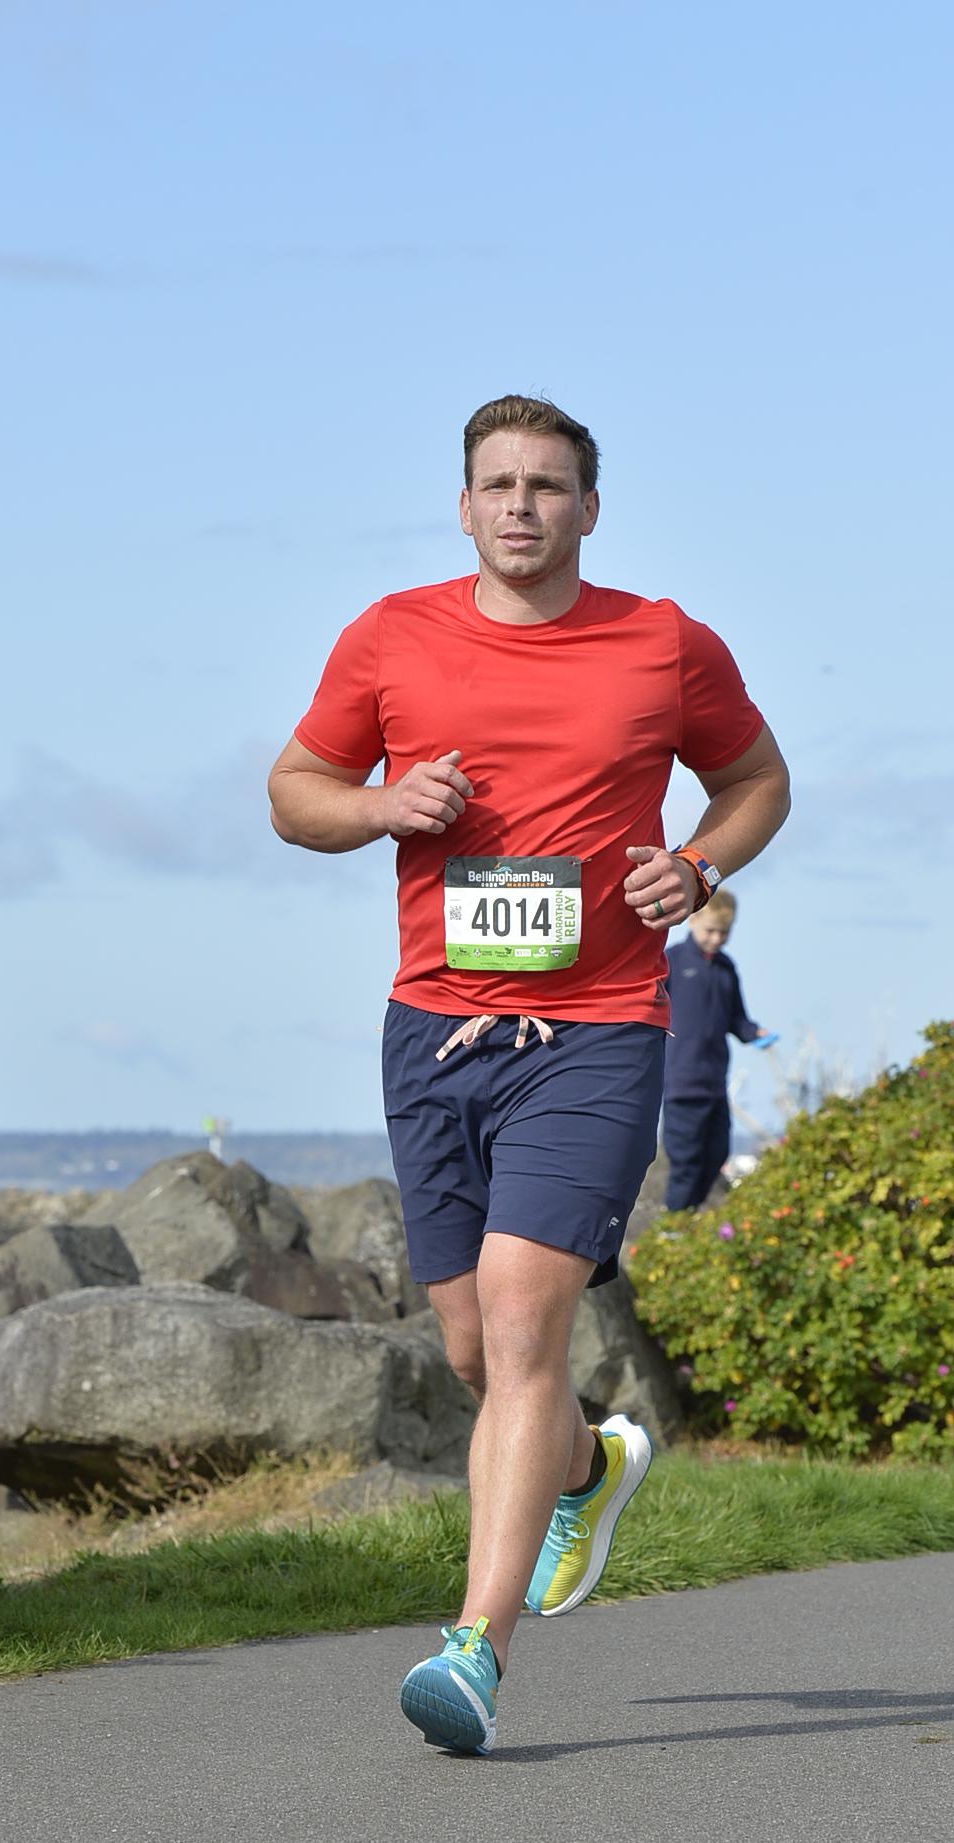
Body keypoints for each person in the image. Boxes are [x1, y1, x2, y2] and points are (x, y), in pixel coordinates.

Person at [268, 394, 790, 1755]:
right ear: (463, 507)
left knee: (518, 1325)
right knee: (473, 1350)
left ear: (588, 508)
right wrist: (380, 805)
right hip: (434, 1032)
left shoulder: (662, 642)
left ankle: (474, 1653)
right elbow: (294, 790)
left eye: (548, 486)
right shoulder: (391, 636)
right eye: (498, 484)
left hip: (600, 1031)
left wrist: (700, 863)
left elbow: (757, 780)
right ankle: (588, 1462)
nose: (521, 506)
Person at [662, 889, 774, 1210]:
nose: (716, 939)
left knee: (716, 1153)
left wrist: (754, 1032)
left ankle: (691, 1216)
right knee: (685, 1161)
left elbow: (737, 1018)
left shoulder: (726, 968)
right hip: (681, 1083)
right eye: (710, 930)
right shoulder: (672, 961)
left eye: (724, 932)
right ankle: (675, 1223)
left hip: (714, 1083)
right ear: (692, 920)